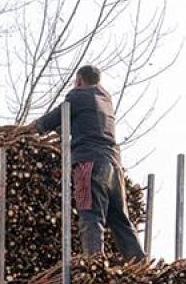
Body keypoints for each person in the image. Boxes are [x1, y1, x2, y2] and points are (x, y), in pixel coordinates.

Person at [18, 65, 145, 260]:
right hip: (113, 165)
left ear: (79, 81)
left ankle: (94, 264)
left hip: (89, 163)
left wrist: (25, 131)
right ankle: (139, 263)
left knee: (90, 215)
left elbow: (51, 120)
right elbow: (76, 123)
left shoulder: (77, 97)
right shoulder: (105, 100)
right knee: (120, 220)